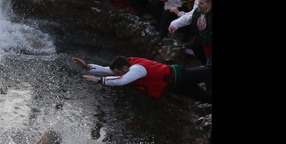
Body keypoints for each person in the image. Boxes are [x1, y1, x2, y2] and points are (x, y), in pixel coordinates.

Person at [73, 56, 211, 103]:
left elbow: (121, 81)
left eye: (118, 72)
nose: (116, 74)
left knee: (209, 71)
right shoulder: (126, 66)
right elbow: (106, 69)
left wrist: (99, 81)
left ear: (125, 69)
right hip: (175, 86)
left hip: (180, 76)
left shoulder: (137, 70)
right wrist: (87, 66)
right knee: (205, 98)